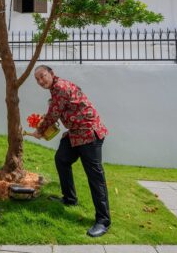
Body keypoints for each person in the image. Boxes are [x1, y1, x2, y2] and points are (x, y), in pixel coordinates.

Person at [33, 65, 111, 238]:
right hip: (75, 133)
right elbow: (56, 112)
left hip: (89, 133)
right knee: (62, 159)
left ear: (51, 74)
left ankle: (103, 221)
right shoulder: (55, 89)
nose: (40, 81)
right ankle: (69, 199)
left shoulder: (60, 87)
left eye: (42, 76)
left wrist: (40, 130)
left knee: (95, 176)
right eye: (37, 79)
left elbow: (53, 114)